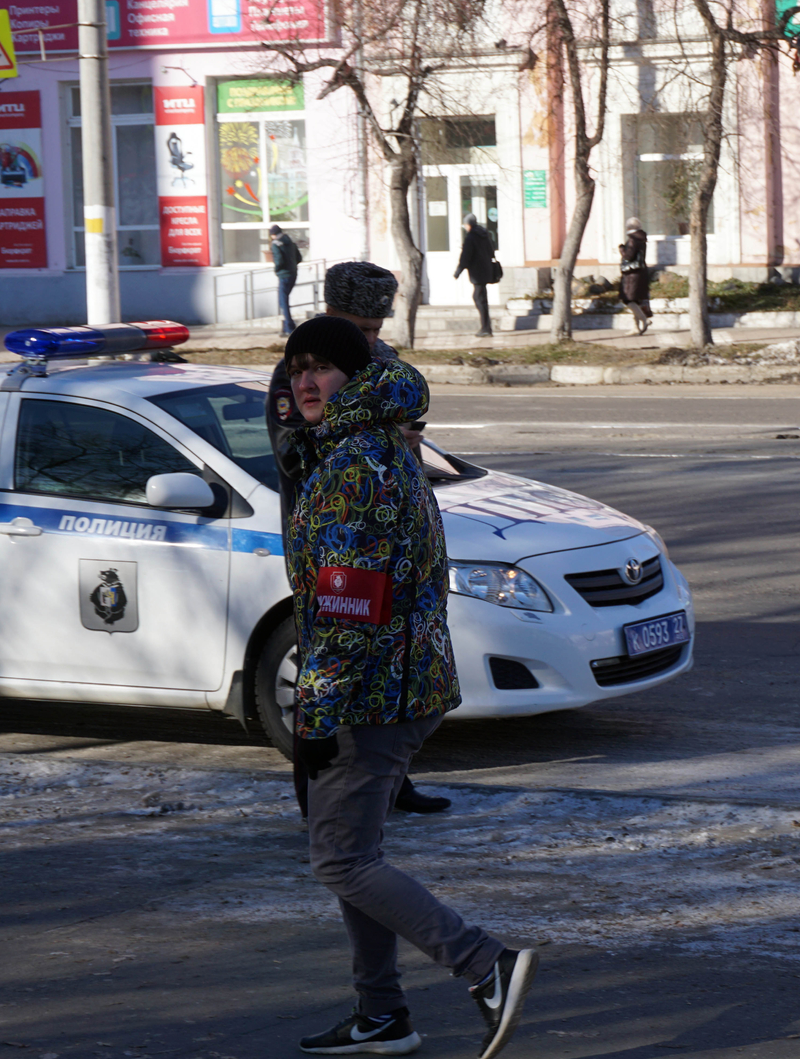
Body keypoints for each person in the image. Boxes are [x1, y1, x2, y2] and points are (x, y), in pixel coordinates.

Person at [283, 315, 538, 1059]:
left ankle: (484, 963)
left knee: (341, 860)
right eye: (298, 366)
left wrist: (318, 710)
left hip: (368, 696)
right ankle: (381, 1013)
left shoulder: (354, 467)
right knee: (353, 852)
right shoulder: (382, 448)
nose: (305, 380)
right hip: (401, 684)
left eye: (323, 368)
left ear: (356, 380)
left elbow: (348, 604)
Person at [266, 261, 451, 815]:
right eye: (360, 329)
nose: (370, 341)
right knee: (323, 656)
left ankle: (391, 783)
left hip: (376, 535)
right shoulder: (302, 371)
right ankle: (316, 795)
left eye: (376, 329)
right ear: (333, 315)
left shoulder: (381, 367)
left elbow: (404, 438)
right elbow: (294, 451)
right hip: (323, 533)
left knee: (384, 654)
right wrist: (365, 430)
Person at [453, 214, 495, 338]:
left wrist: (458, 271)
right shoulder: (484, 234)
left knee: (479, 298)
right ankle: (486, 327)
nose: (465, 227)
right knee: (481, 298)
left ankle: (486, 328)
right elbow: (491, 251)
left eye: (465, 225)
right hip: (486, 270)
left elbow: (466, 256)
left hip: (477, 273)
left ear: (469, 224)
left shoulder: (471, 237)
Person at [618, 218, 652, 334]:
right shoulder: (641, 238)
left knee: (628, 299)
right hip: (641, 272)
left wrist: (622, 249)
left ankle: (644, 319)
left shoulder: (633, 240)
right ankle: (635, 327)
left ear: (629, 228)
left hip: (631, 275)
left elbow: (628, 256)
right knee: (635, 300)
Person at [271, 225, 303, 336]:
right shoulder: (291, 243)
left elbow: (279, 260)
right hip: (293, 274)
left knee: (283, 302)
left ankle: (290, 327)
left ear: (273, 234)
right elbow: (299, 258)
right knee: (283, 301)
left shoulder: (275, 244)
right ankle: (286, 326)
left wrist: (276, 270)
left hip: (284, 275)